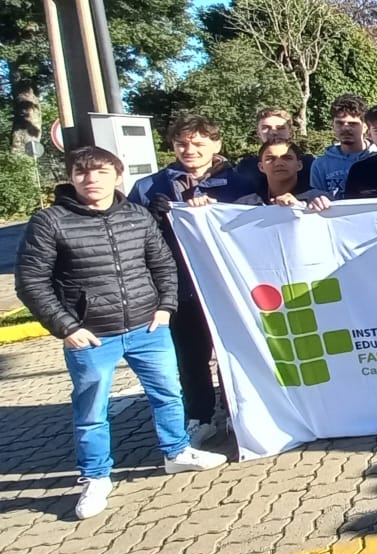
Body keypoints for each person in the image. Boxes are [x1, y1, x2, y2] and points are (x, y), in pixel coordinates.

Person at [20, 147, 228, 518]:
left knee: (168, 394)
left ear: (117, 176)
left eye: (101, 172)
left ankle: (177, 452)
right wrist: (66, 326)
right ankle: (96, 477)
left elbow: (163, 264)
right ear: (71, 178)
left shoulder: (136, 215)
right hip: (91, 334)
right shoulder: (50, 221)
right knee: (91, 411)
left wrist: (165, 306)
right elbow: (31, 282)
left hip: (148, 326)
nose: (91, 179)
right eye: (82, 173)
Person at [130, 116, 256, 445]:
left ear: (216, 145)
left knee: (235, 352)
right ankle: (200, 416)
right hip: (179, 287)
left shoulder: (240, 183)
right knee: (190, 357)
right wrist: (150, 218)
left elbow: (254, 227)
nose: (190, 150)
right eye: (182, 144)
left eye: (199, 144)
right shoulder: (148, 187)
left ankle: (236, 412)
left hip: (228, 285)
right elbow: (128, 235)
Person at [310, 94, 375, 198]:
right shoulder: (320, 165)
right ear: (333, 125)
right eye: (340, 123)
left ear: (365, 127)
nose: (345, 128)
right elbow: (316, 200)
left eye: (352, 124)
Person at [234, 141, 331, 208]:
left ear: (299, 165)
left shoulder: (320, 200)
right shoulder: (244, 205)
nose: (279, 163)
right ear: (261, 167)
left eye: (287, 158)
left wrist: (302, 208)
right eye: (270, 159)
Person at [234, 108, 313, 191]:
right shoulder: (246, 167)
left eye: (280, 128)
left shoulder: (310, 165)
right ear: (258, 133)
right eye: (266, 128)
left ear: (290, 131)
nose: (273, 132)